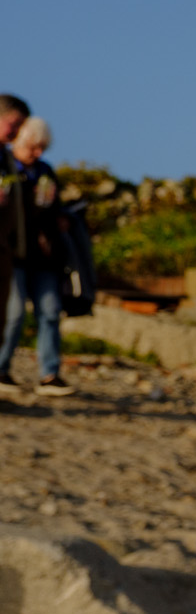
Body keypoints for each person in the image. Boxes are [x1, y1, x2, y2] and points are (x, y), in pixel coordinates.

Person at [0, 99, 72, 398]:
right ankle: (1, 368)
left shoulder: (45, 172)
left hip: (43, 257)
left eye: (43, 147)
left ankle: (50, 374)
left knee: (50, 311)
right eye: (34, 146)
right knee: (13, 313)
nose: (38, 153)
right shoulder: (6, 167)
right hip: (12, 253)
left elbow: (54, 209)